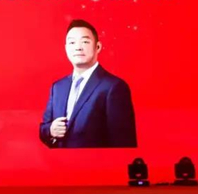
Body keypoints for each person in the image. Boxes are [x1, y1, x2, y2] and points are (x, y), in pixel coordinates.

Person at [40, 19, 136, 148]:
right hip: (59, 161)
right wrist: (51, 130)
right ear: (66, 48)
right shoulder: (58, 87)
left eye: (85, 42)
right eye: (72, 42)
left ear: (98, 47)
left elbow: (123, 143)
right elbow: (44, 128)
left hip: (95, 161)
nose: (78, 47)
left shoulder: (114, 87)